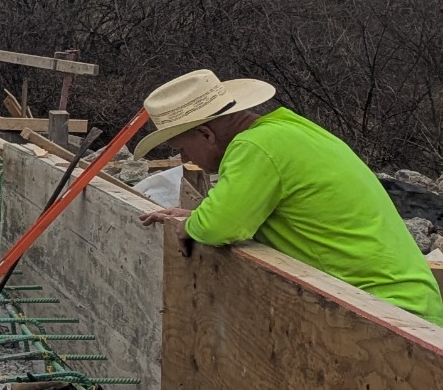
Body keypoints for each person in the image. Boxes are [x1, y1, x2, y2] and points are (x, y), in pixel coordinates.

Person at [133, 69, 443, 324]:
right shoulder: (284, 130)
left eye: (182, 148)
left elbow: (218, 226)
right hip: (400, 305)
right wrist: (198, 216)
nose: (185, 158)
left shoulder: (254, 147)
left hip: (390, 311)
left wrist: (190, 226)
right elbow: (235, 213)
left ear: (206, 134)